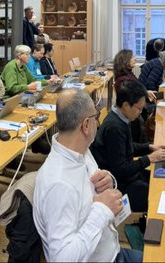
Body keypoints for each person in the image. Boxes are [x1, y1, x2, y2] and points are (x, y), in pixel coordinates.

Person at [33, 89, 141, 263]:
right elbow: (61, 258)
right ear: (85, 125)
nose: (97, 122)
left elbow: (93, 190)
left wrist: (109, 180)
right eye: (95, 116)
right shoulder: (59, 184)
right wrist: (102, 210)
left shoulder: (80, 150)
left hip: (113, 252)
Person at [91, 80, 165, 212]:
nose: (141, 112)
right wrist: (149, 159)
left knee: (161, 179)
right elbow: (120, 170)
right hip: (119, 184)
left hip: (127, 176)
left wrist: (150, 147)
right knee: (157, 194)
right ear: (126, 105)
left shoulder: (121, 117)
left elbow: (126, 147)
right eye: (139, 108)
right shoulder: (114, 127)